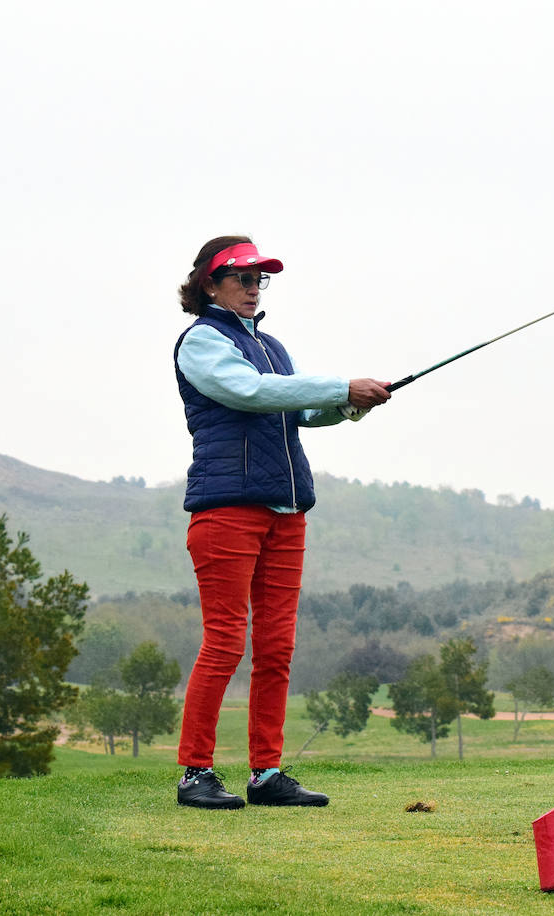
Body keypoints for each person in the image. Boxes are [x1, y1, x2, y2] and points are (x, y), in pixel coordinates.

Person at [172, 235, 390, 809]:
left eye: (259, 279)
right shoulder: (201, 341)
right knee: (224, 642)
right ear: (209, 284)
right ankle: (195, 772)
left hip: (287, 510)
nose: (252, 287)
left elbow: (296, 409)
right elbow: (249, 393)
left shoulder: (272, 345)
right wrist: (341, 384)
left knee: (276, 648)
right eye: (241, 278)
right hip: (226, 511)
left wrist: (347, 406)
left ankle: (266, 774)